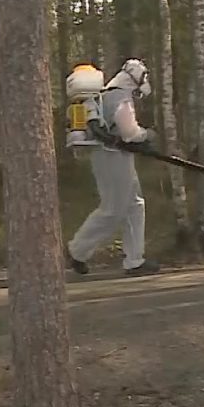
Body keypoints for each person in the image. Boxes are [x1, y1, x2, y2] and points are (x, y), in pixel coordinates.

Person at [67, 58, 161, 277]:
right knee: (113, 209)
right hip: (111, 156)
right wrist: (148, 135)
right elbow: (129, 132)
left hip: (115, 155)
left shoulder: (107, 94)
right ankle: (77, 251)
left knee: (134, 205)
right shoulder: (120, 97)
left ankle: (135, 260)